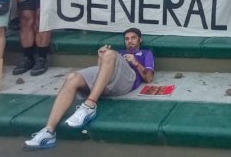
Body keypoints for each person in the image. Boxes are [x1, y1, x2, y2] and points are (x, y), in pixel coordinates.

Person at [24, 28, 154, 149]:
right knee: (72, 78)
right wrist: (101, 58)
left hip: (127, 81)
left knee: (110, 54)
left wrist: (136, 63)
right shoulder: (119, 52)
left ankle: (89, 105)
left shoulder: (146, 53)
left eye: (133, 38)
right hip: (110, 82)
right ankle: (48, 131)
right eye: (127, 39)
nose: (130, 41)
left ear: (140, 40)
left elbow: (148, 78)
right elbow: (101, 73)